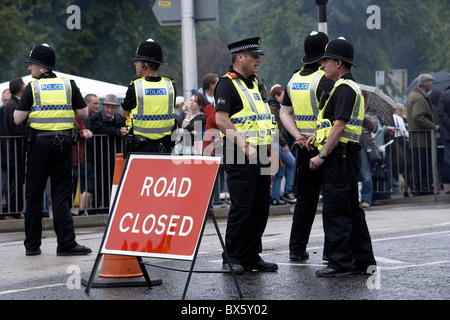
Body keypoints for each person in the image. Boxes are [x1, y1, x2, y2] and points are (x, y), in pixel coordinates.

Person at [304, 37, 376, 276]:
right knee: (352, 211)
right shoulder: (344, 86)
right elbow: (331, 126)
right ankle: (364, 261)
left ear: (338, 62)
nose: (322, 65)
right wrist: (316, 138)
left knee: (336, 212)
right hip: (346, 156)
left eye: (326, 61)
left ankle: (340, 263)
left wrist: (322, 155)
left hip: (340, 158)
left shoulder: (344, 88)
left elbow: (340, 126)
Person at [13, 43, 91, 256]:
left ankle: (32, 245)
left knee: (34, 193)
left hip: (38, 145)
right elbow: (84, 113)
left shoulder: (33, 87)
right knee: (61, 194)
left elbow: (17, 118)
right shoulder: (68, 84)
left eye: (31, 65)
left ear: (40, 66)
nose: (30, 69)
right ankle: (66, 244)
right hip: (63, 145)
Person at [214, 37, 278, 273]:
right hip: (240, 153)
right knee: (242, 207)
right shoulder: (226, 84)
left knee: (260, 206)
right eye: (254, 56)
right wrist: (244, 146)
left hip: (260, 153)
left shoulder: (254, 84)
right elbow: (221, 120)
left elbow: (260, 120)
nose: (259, 60)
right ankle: (231, 257)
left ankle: (251, 255)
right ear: (240, 57)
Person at [280, 31, 334, 261]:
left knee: (305, 200)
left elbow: (285, 112)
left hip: (303, 147)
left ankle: (296, 248)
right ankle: (332, 252)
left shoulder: (294, 79)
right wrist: (314, 135)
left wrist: (298, 136)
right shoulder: (326, 79)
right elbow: (334, 118)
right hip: (325, 147)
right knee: (332, 199)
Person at [121, 38, 176, 154]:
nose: (135, 64)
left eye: (138, 61)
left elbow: (124, 112)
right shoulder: (170, 86)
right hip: (165, 148)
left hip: (140, 149)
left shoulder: (135, 86)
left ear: (145, 65)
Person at [86, 94, 126, 213]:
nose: (109, 110)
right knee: (98, 184)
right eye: (107, 107)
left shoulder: (120, 118)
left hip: (114, 157)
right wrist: (117, 132)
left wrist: (123, 131)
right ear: (104, 106)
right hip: (98, 157)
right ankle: (95, 210)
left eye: (112, 108)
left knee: (111, 185)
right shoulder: (94, 118)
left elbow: (125, 129)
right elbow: (98, 128)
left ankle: (108, 209)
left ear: (116, 108)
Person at [406, 73, 439, 194]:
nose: (431, 85)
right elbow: (418, 117)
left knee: (420, 165)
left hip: (419, 140)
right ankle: (421, 188)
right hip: (421, 140)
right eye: (431, 83)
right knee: (422, 165)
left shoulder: (414, 95)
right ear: (427, 85)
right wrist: (433, 126)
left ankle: (421, 187)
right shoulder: (419, 98)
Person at [269, 84, 295, 205]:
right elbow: (275, 128)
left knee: (280, 170)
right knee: (293, 163)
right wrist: (283, 143)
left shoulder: (276, 106)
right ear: (276, 95)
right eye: (283, 96)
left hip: (275, 142)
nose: (285, 99)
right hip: (277, 143)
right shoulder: (274, 108)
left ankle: (275, 197)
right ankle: (288, 191)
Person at [3, 77, 26, 216]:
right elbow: (15, 127)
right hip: (15, 150)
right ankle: (14, 209)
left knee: (16, 180)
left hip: (16, 149)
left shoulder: (13, 104)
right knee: (16, 181)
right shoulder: (13, 105)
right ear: (21, 88)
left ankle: (15, 209)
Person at [78, 93, 100, 214]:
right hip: (84, 155)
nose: (98, 106)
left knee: (86, 183)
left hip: (88, 155)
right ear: (87, 104)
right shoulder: (84, 118)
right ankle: (82, 210)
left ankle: (88, 209)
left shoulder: (89, 117)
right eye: (95, 103)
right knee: (88, 183)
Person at [437, 86, 450, 194]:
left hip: (447, 135)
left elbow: (441, 113)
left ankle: (448, 185)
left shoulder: (444, 95)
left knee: (448, 160)